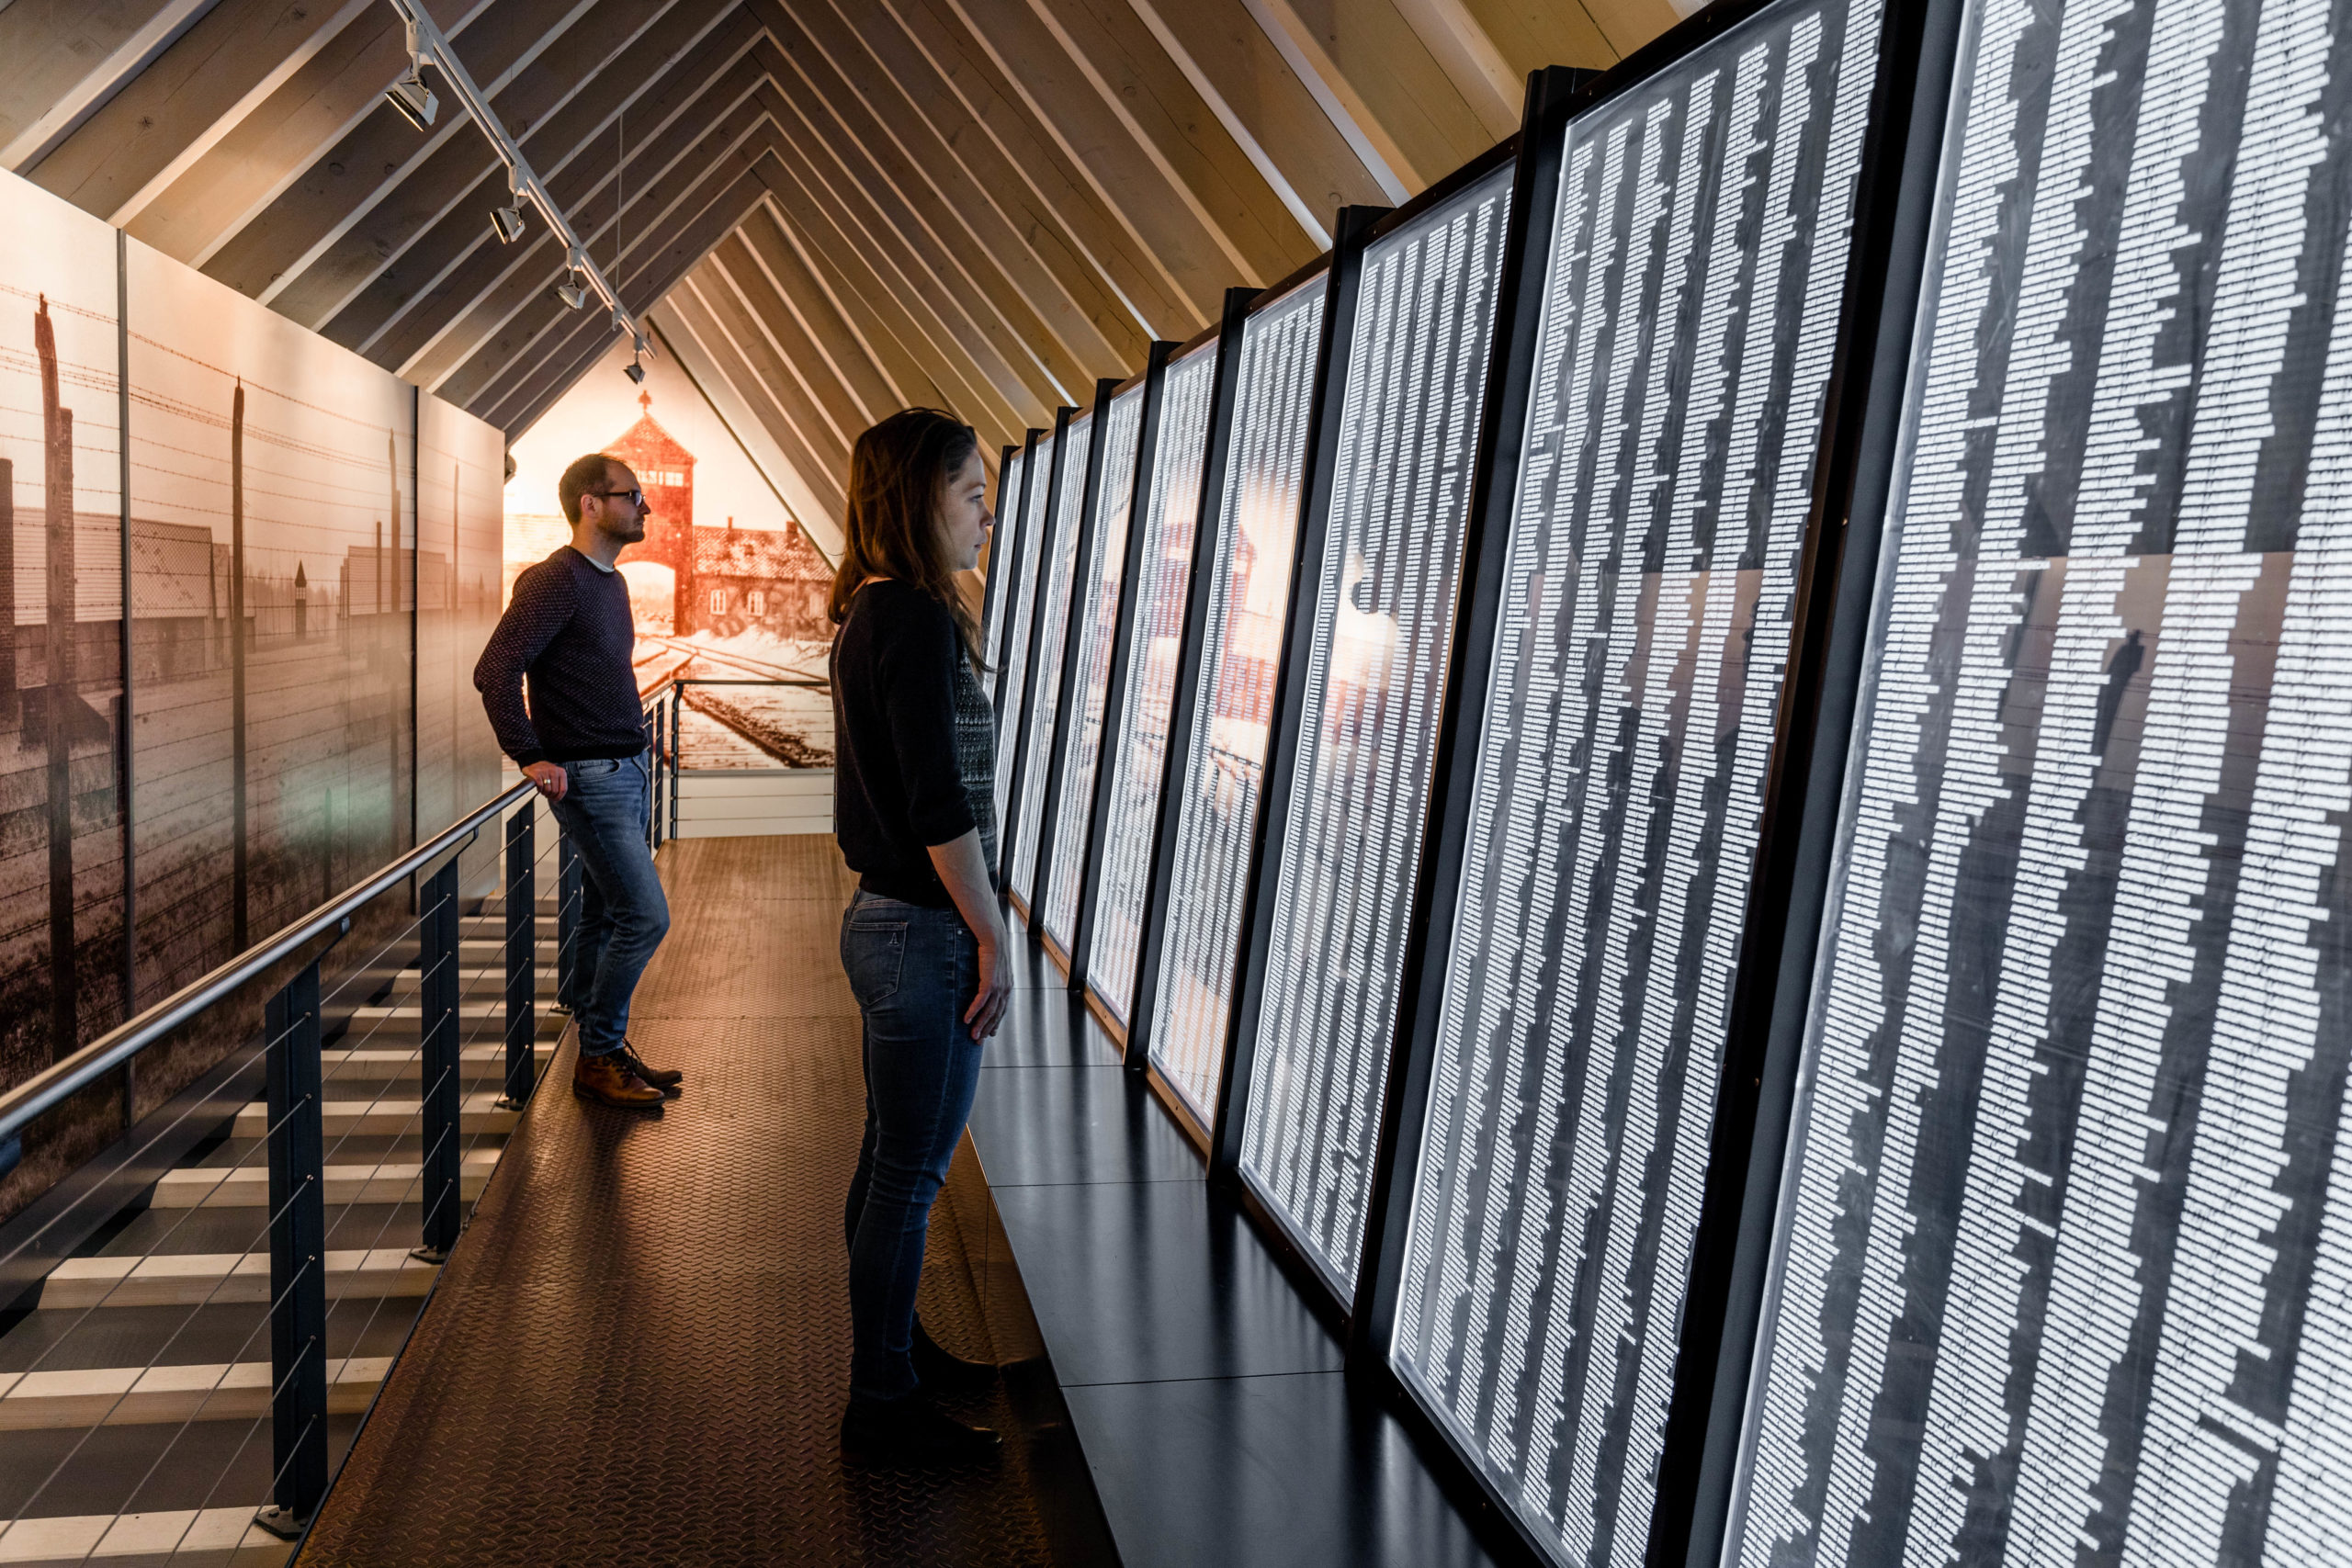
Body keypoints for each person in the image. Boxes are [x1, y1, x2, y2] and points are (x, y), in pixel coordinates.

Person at [831, 409, 1012, 1466]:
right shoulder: (915, 621)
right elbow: (938, 802)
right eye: (971, 493)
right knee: (909, 1176)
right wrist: (989, 935)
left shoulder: (869, 611)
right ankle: (881, 1401)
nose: (985, 514)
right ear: (918, 498)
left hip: (887, 925)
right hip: (924, 931)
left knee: (887, 1162)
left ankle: (892, 1358)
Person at [475, 452, 683, 1112]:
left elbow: (598, 673)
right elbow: (496, 669)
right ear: (590, 504)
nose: (644, 506)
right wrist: (529, 753)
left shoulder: (609, 583)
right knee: (645, 916)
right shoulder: (554, 581)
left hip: (626, 767)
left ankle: (604, 1047)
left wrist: (641, 743)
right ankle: (597, 1052)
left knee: (602, 915)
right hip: (589, 780)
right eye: (630, 495)